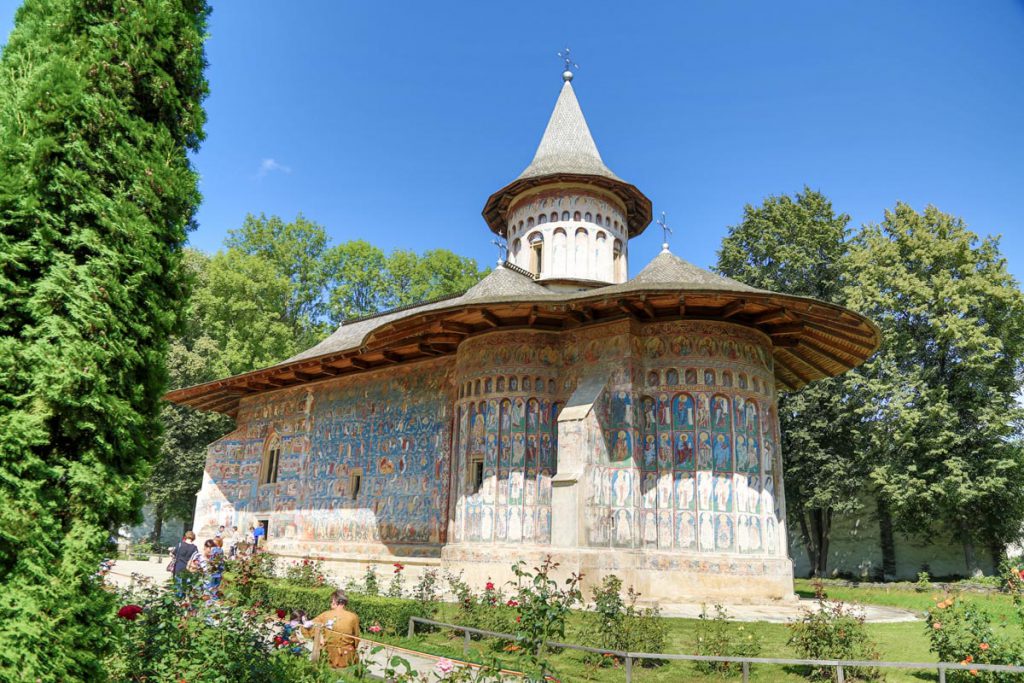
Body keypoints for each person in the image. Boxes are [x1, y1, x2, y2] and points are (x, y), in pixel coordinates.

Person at [307, 589, 360, 668]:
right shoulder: (353, 617)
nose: (330, 603)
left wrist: (319, 637)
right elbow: (356, 638)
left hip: (328, 655)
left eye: (331, 601)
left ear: (335, 601)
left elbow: (308, 625)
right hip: (346, 656)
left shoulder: (325, 615)